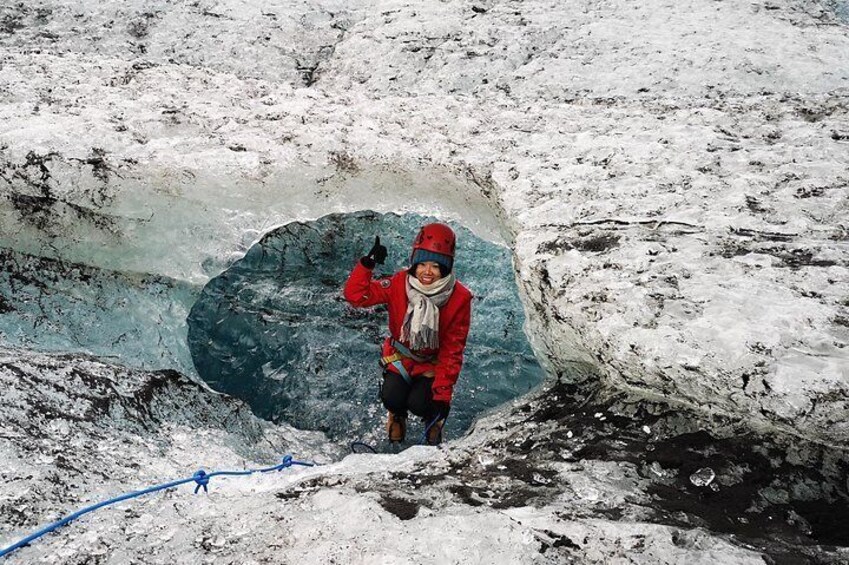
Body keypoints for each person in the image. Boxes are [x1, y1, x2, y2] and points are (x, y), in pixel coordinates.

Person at [343, 223, 473, 445]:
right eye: (421, 264)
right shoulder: (398, 283)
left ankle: (433, 420)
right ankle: (396, 416)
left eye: (435, 265)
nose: (427, 272)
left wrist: (442, 395)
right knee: (392, 398)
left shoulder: (459, 297)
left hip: (431, 364)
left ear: (446, 268)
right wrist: (367, 265)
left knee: (421, 404)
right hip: (401, 357)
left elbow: (453, 349)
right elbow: (356, 296)